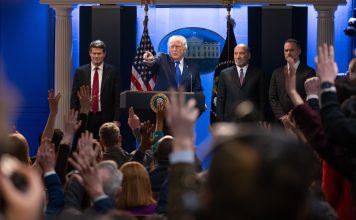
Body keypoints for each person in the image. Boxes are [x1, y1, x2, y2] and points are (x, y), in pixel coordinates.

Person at [70, 40, 121, 139]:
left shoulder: (113, 72)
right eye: (94, 53)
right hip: (85, 117)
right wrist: (74, 118)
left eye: (99, 53)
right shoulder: (80, 72)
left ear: (104, 54)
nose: (96, 56)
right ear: (90, 53)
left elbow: (117, 98)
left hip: (106, 117)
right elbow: (74, 97)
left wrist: (116, 119)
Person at [269, 38, 316, 121]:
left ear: (299, 51)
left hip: (300, 120)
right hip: (280, 122)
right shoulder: (276, 73)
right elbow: (273, 98)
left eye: (291, 50)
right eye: (286, 50)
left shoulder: (309, 72)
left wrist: (293, 115)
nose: (288, 53)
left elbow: (309, 97)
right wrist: (282, 117)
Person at [216, 44, 266, 122]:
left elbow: (262, 100)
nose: (238, 56)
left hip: (251, 122)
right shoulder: (224, 74)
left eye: (241, 53)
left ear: (249, 55)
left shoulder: (258, 74)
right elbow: (220, 100)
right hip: (230, 122)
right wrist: (220, 121)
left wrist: (261, 120)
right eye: (235, 53)